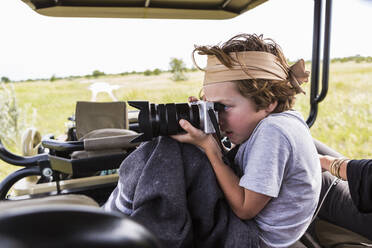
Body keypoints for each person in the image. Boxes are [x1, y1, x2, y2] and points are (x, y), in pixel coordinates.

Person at [172, 33, 322, 247]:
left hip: (259, 237)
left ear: (268, 101)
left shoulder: (274, 131)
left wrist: (210, 148)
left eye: (223, 107)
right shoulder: (278, 121)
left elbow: (244, 208)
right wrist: (212, 133)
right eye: (211, 107)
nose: (218, 117)